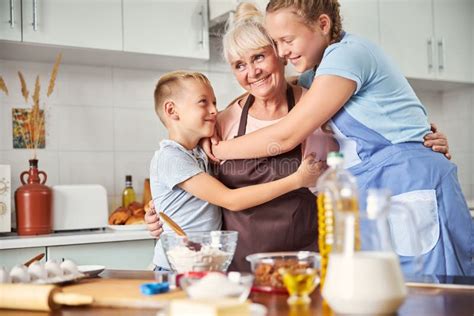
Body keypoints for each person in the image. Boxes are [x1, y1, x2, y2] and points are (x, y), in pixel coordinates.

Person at [208, 0, 471, 276]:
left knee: (432, 296)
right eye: (277, 43)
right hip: (377, 195)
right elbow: (279, 86)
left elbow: (286, 135)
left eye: (285, 41)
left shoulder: (346, 56)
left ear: (323, 24)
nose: (283, 53)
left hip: (409, 187)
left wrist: (220, 148)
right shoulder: (317, 74)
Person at [148, 70, 323, 270]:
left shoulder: (198, 152)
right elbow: (230, 199)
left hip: (203, 262)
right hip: (177, 265)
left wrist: (287, 82)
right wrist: (297, 180)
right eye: (203, 102)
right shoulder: (172, 158)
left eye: (214, 102)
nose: (215, 110)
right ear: (172, 110)